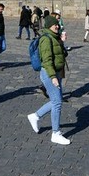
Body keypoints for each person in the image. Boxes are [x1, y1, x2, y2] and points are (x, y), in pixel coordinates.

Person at [26, 15, 71, 145]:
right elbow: (46, 61)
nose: (57, 26)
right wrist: (53, 78)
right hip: (49, 73)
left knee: (56, 100)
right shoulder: (46, 39)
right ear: (48, 26)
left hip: (56, 72)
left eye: (57, 24)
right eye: (54, 24)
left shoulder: (55, 37)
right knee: (57, 102)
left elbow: (62, 55)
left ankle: (35, 116)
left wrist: (62, 42)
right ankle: (55, 133)